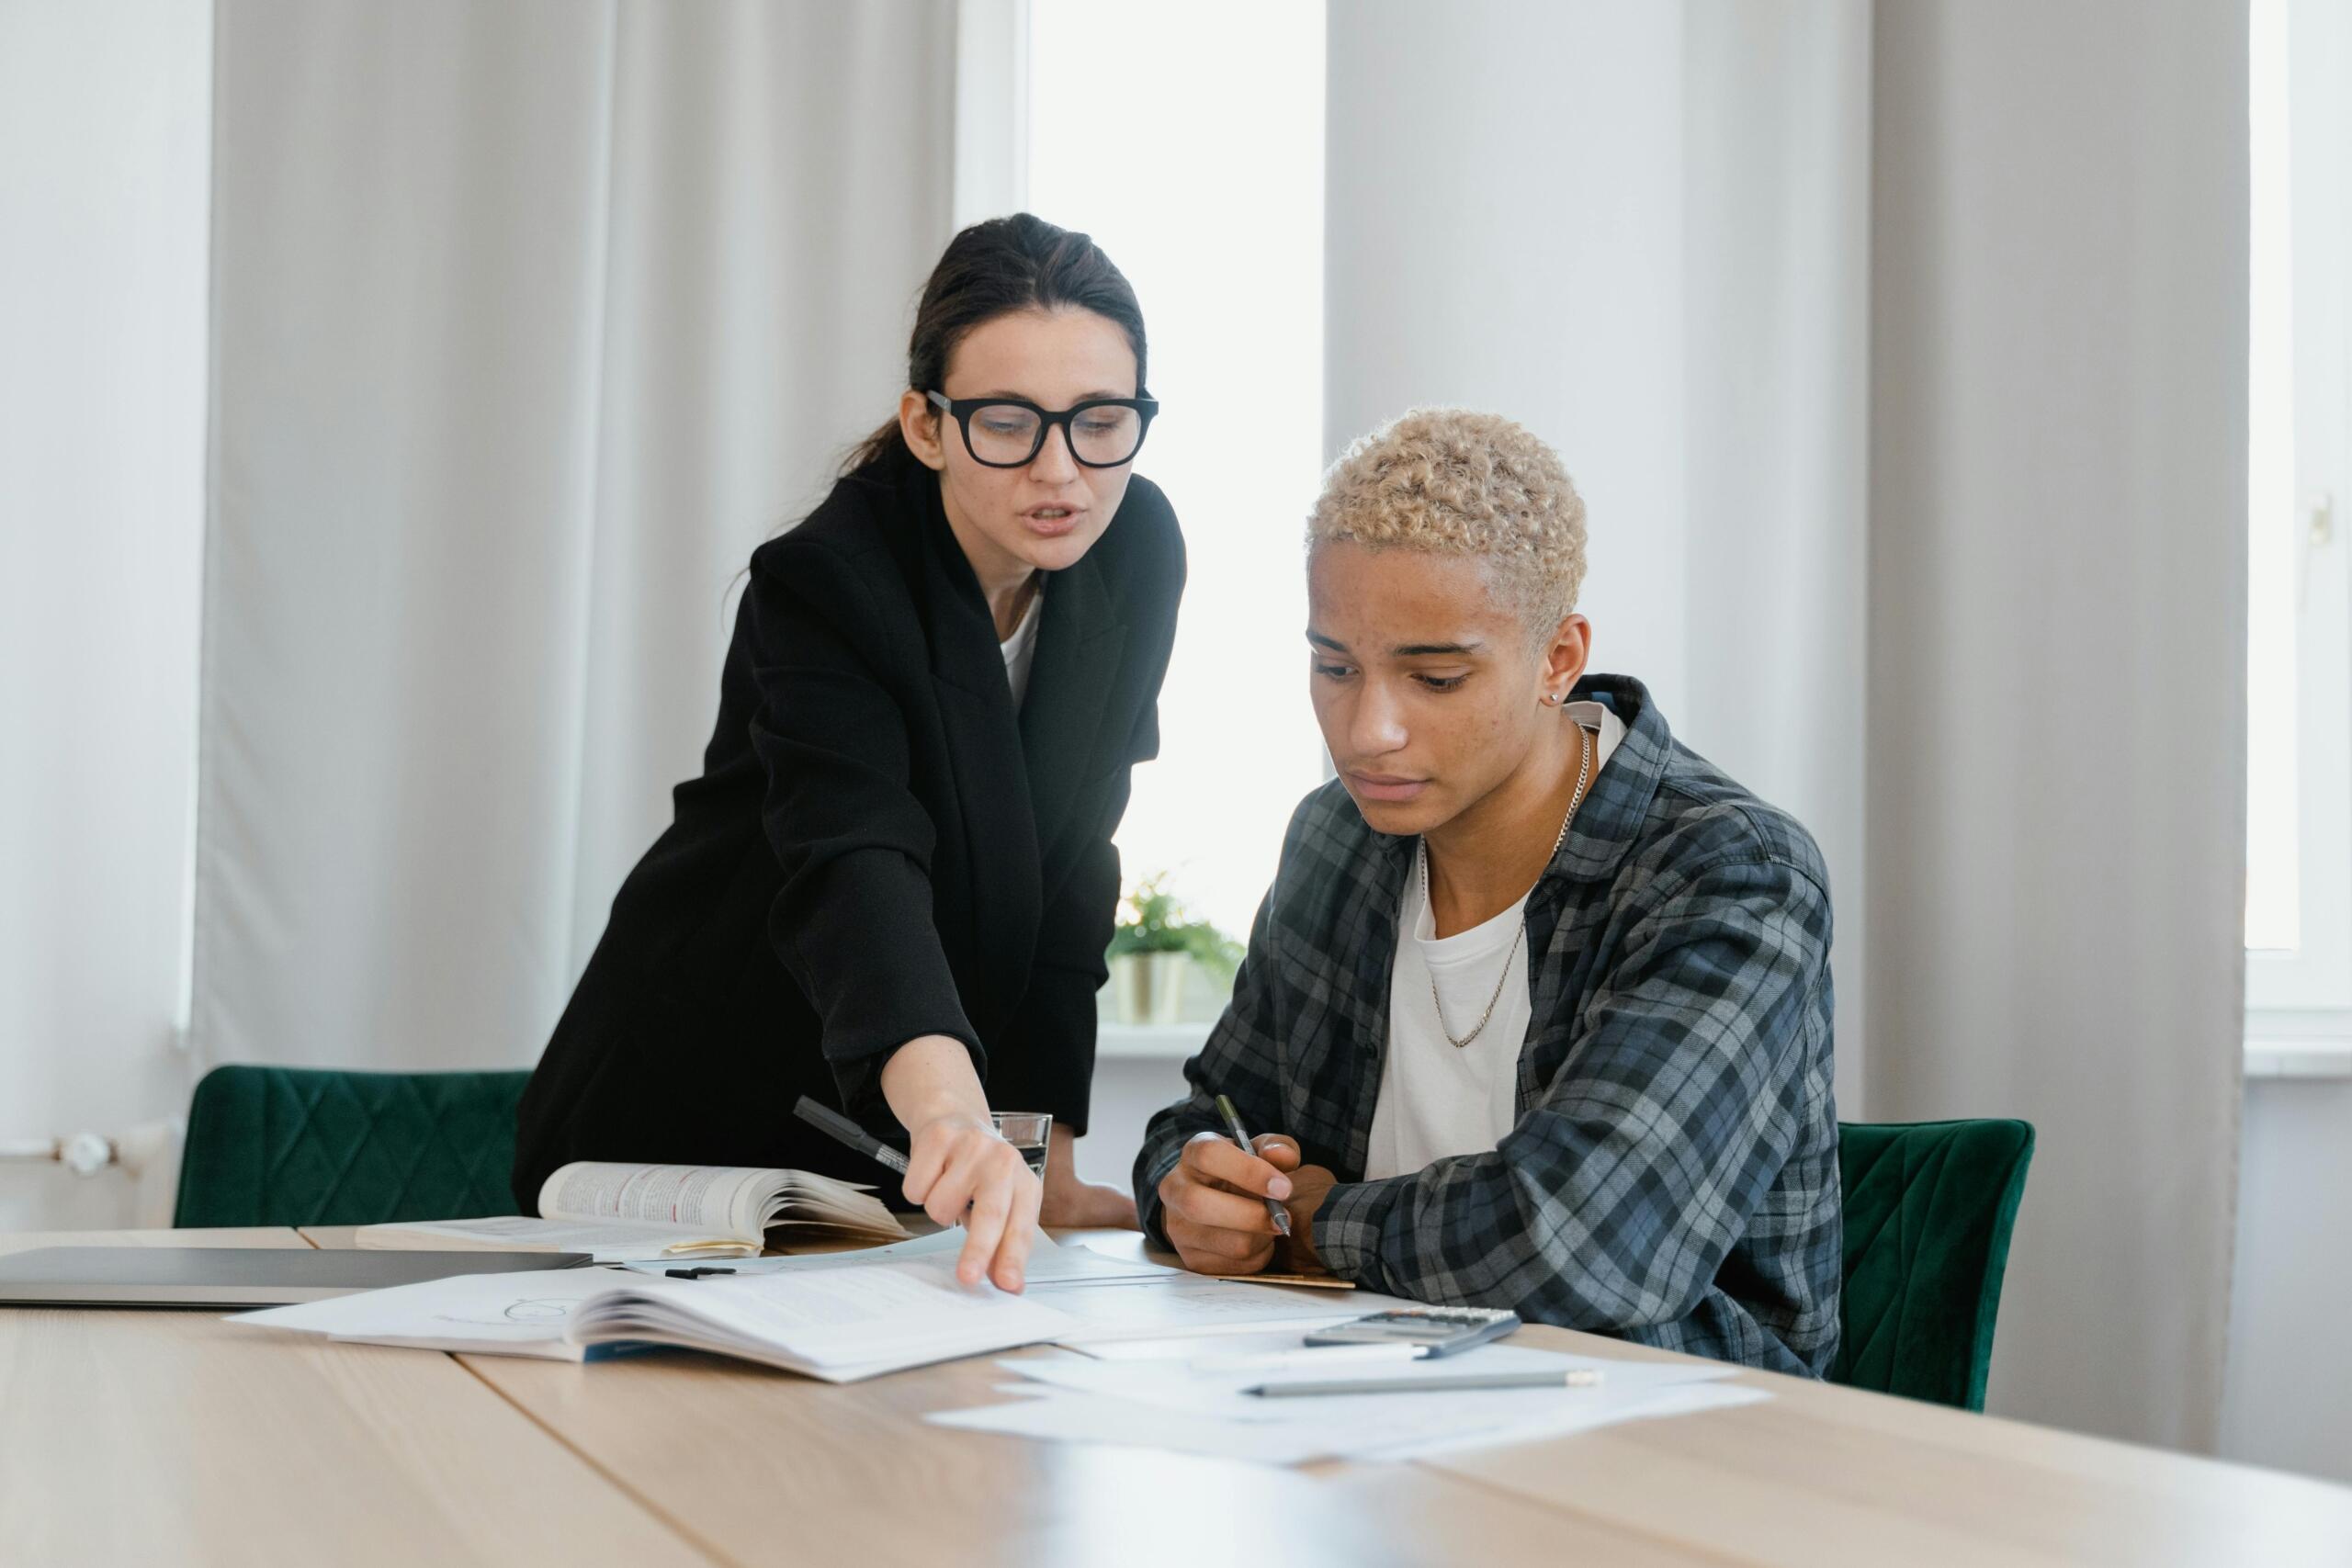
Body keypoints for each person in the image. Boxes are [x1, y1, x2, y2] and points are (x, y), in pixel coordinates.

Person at [515, 214, 1183, 1294]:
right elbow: (855, 865)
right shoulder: (829, 579)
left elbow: (1074, 860)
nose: (1061, 469)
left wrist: (1043, 1155)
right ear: (926, 424)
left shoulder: (1135, 548)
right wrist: (957, 1117)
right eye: (1008, 422)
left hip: (902, 1134)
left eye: (1100, 420)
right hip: (694, 1107)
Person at [1133, 408, 1838, 1373]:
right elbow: (1210, 1121)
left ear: (1557, 659)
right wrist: (1190, 1189)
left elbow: (1580, 1246)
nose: (1367, 728)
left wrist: (1310, 1221)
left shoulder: (1729, 873)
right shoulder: (1335, 837)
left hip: (1674, 1440)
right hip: (1364, 1399)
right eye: (1333, 666)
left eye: (1433, 678)